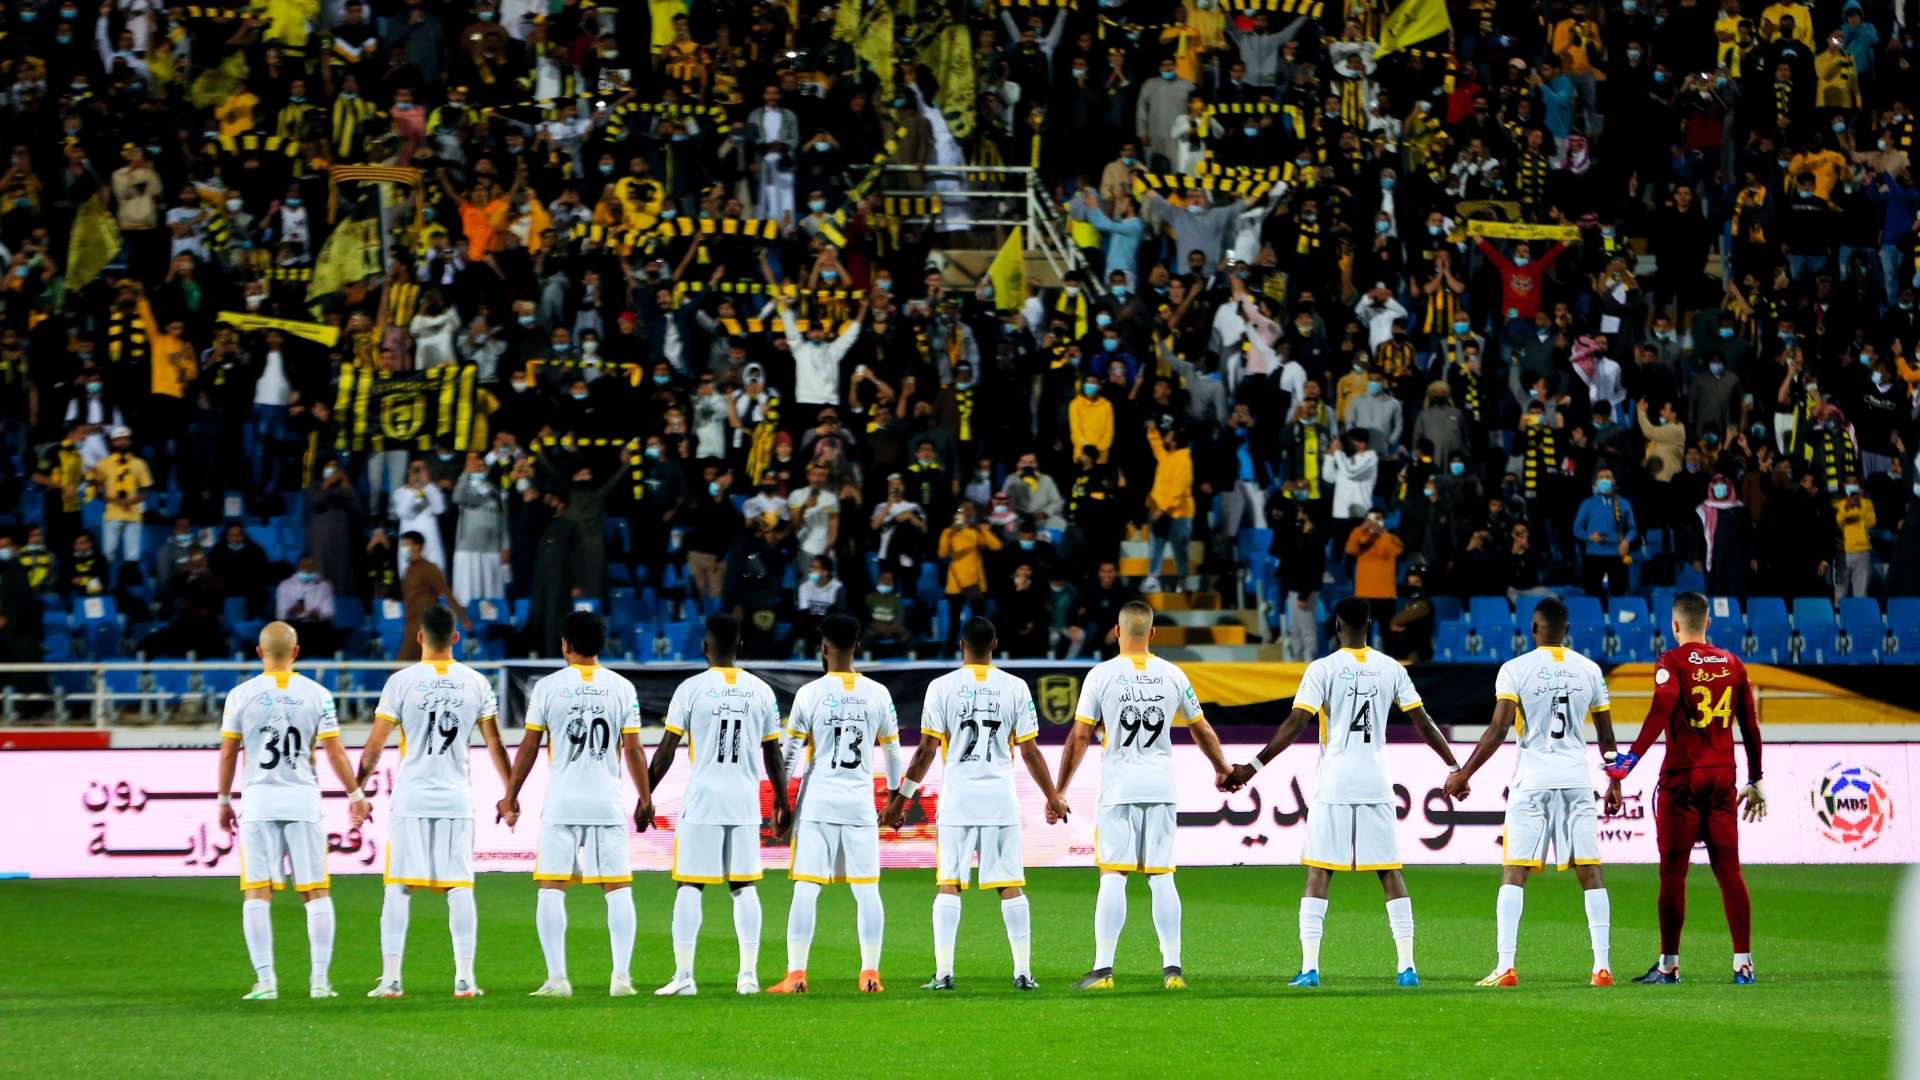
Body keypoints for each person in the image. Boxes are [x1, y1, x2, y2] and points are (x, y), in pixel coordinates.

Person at [1221, 597, 1461, 987]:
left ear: (1336, 624)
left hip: (1334, 783)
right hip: (1377, 783)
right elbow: (1423, 722)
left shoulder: (1323, 669)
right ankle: (1407, 967)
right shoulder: (1390, 668)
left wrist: (1253, 766)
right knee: (1389, 872)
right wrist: (1455, 767)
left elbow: (1297, 723)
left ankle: (1311, 968)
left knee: (1320, 871)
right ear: (1370, 625)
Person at [881, 618, 1072, 990]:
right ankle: (1022, 973)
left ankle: (944, 973)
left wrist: (900, 800)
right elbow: (1029, 751)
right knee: (1010, 885)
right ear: (995, 644)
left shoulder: (941, 687)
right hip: (1000, 798)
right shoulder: (1015, 687)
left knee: (949, 883)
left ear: (961, 644)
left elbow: (926, 751)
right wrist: (1053, 796)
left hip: (959, 798)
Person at [1442, 598, 1622, 987]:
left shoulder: (1515, 670)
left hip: (1533, 780)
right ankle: (1601, 967)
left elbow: (1498, 730)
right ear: (1567, 629)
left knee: (1514, 871)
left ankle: (1506, 965)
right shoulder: (1590, 670)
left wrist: (1464, 774)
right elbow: (1607, 737)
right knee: (1590, 872)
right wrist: (1615, 780)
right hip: (1576, 779)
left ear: (1534, 628)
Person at [1055, 600, 1233, 991]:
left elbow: (1080, 735)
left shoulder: (1101, 676)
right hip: (1161, 786)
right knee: (1161, 876)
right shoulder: (1172, 674)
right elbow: (1200, 727)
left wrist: (1059, 790)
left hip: (1119, 787)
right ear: (1152, 633)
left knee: (1113, 875)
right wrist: (1221, 768)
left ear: (1117, 632)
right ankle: (1173, 970)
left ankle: (1103, 970)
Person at [1605, 592, 1766, 985]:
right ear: (1708, 623)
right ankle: (1743, 963)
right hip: (1723, 777)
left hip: (1683, 779)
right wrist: (1756, 778)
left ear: (1675, 625)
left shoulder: (1672, 662)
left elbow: (1662, 706)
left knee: (1673, 874)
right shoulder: (1733, 663)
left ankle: (1669, 966)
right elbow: (1750, 725)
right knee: (1730, 871)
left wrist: (1630, 759)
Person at [356, 605, 511, 999]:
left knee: (398, 888)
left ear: (420, 637)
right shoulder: (477, 682)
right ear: (455, 638)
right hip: (456, 799)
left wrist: (357, 789)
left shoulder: (401, 682)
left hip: (411, 797)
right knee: (460, 887)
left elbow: (374, 746)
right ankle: (464, 978)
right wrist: (510, 793)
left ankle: (391, 979)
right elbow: (494, 742)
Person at [500, 610, 654, 998]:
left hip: (563, 802)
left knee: (552, 888)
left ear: (565, 644)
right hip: (606, 801)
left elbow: (531, 746)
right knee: (617, 889)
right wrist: (646, 797)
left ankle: (557, 980)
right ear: (601, 644)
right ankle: (621, 978)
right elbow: (633, 749)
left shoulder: (548, 687)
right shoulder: (622, 688)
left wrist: (511, 794)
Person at [215, 622, 366, 1001]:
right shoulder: (318, 694)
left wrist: (222, 799)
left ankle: (266, 982)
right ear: (296, 652)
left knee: (257, 892)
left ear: (258, 652)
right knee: (315, 892)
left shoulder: (239, 695)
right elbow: (334, 752)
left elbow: (229, 753)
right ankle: (319, 981)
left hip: (259, 802)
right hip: (302, 801)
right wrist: (356, 794)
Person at [648, 613, 792, 997]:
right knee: (743, 885)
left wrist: (645, 795)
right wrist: (782, 801)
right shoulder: (761, 691)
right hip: (745, 801)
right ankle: (748, 977)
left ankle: (684, 977)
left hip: (703, 800)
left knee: (689, 885)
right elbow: (773, 754)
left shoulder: (690, 689)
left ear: (704, 647)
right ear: (739, 647)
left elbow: (665, 752)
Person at [767, 613, 902, 995]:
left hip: (818, 804)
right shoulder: (878, 693)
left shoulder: (810, 694)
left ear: (823, 648)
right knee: (867, 888)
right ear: (857, 646)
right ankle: (870, 972)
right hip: (859, 804)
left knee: (806, 887)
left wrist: (781, 802)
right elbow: (892, 752)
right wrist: (894, 799)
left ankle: (796, 974)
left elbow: (789, 753)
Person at [397, 531, 470, 663]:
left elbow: (446, 592)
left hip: (423, 625)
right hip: (410, 624)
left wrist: (463, 617)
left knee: (401, 667)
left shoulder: (429, 569)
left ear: (417, 546)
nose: (403, 549)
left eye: (406, 545)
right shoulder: (408, 570)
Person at [275, 556, 339, 656]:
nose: (307, 569)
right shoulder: (285, 585)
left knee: (328, 631)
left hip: (316, 624)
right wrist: (292, 610)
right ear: (298, 567)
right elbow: (280, 614)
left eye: (310, 566)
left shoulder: (324, 585)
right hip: (294, 624)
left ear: (315, 568)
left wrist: (318, 614)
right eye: (304, 566)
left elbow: (329, 612)